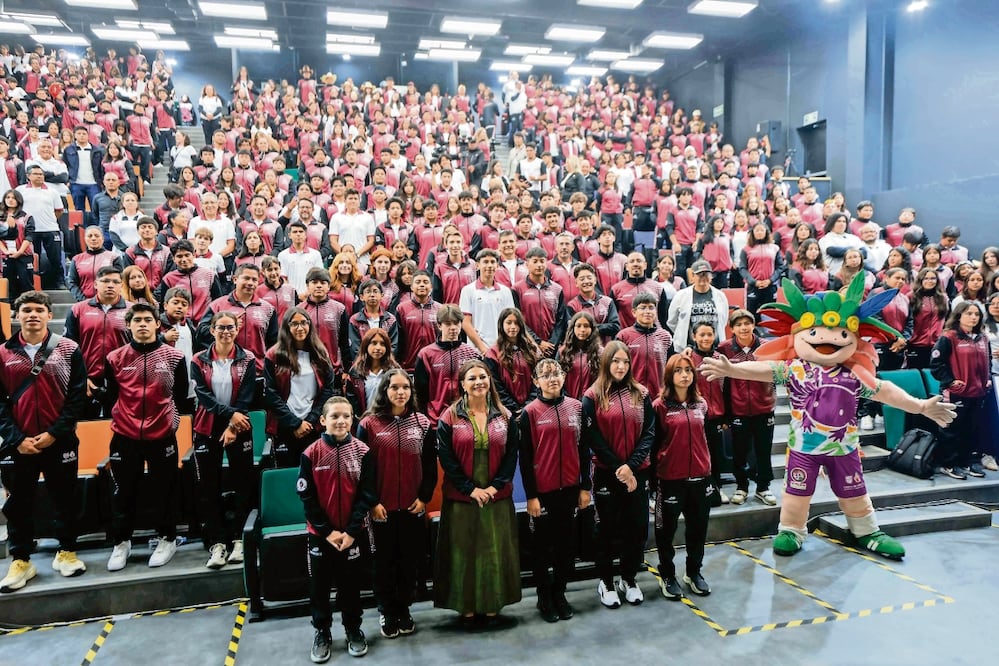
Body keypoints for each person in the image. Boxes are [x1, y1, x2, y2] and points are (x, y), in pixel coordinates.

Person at [0, 291, 89, 592]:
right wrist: (17, 438)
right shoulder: (3, 353)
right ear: (17, 315)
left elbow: (77, 398)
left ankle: (66, 551)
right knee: (18, 504)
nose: (33, 315)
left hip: (59, 441)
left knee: (64, 498)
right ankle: (21, 560)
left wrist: (55, 433)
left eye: (39, 309)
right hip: (19, 444)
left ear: (50, 315)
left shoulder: (68, 348)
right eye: (26, 310)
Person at [435, 359, 521, 626]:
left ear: (489, 381)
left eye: (482, 377)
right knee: (464, 551)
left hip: (497, 496)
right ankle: (466, 605)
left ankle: (493, 601)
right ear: (462, 384)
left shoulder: (505, 416)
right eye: (471, 378)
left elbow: (511, 456)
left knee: (493, 550)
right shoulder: (448, 417)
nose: (478, 382)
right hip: (462, 498)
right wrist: (471, 489)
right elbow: (447, 460)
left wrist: (494, 487)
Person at [105, 303, 189, 571]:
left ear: (157, 324)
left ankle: (167, 538)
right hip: (124, 435)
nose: (142, 324)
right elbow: (110, 397)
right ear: (128, 325)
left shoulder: (174, 357)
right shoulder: (115, 358)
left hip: (162, 435)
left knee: (164, 489)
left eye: (147, 319)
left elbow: (181, 397)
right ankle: (122, 542)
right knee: (123, 491)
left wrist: (169, 425)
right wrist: (123, 421)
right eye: (137, 320)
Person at [356, 370, 436, 639]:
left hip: (412, 507)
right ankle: (386, 610)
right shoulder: (369, 425)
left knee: (409, 561)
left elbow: (429, 466)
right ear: (384, 390)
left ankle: (404, 609)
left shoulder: (422, 423)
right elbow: (361, 470)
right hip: (382, 510)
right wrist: (373, 502)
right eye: (395, 387)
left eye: (406, 387)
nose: (401, 392)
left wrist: (423, 497)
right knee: (384, 562)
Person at [298, 397, 376, 663]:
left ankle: (353, 628)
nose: (341, 421)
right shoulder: (310, 454)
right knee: (319, 586)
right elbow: (307, 498)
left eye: (346, 416)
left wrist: (352, 531)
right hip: (322, 536)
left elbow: (366, 495)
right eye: (334, 416)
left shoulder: (364, 451)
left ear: (353, 419)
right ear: (323, 421)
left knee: (350, 585)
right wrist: (327, 532)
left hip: (352, 534)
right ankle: (322, 632)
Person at [582, 342, 655, 608]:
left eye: (625, 361)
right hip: (606, 474)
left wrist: (632, 466)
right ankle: (606, 581)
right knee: (607, 530)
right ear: (606, 363)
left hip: (638, 472)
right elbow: (593, 438)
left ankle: (628, 577)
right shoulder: (592, 396)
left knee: (636, 529)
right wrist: (619, 468)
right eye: (615, 361)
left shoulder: (641, 393)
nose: (621, 366)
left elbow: (649, 433)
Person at [518, 359, 588, 622]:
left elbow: (583, 450)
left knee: (565, 548)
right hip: (543, 494)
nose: (552, 378)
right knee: (541, 549)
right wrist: (531, 496)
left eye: (556, 373)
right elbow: (525, 459)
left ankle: (560, 593)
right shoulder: (530, 413)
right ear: (536, 381)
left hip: (570, 490)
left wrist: (585, 487)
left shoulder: (577, 408)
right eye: (545, 375)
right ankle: (544, 597)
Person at [190, 310, 256, 569]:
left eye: (231, 327)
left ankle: (240, 538)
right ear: (212, 330)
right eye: (221, 327)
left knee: (243, 483)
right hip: (208, 426)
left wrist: (233, 424)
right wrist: (230, 417)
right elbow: (204, 396)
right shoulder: (198, 360)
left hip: (240, 426)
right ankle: (217, 543)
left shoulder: (248, 358)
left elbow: (248, 394)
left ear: (237, 329)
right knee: (208, 485)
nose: (226, 332)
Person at [651, 354, 713, 599]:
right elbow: (653, 443)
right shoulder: (659, 407)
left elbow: (706, 439)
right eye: (679, 370)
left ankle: (694, 572)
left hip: (700, 477)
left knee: (698, 529)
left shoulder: (701, 404)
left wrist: (710, 472)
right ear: (670, 375)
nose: (685, 374)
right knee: (666, 532)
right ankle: (667, 575)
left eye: (688, 370)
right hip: (670, 479)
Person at [264, 308, 339, 469]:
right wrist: (295, 423)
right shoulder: (274, 355)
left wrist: (310, 420)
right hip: (285, 425)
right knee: (286, 474)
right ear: (286, 327)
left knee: (313, 474)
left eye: (304, 323)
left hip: (313, 425)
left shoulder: (320, 353)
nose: (300, 328)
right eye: (295, 323)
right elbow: (271, 393)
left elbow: (327, 390)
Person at [718, 309, 777, 506]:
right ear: (732, 329)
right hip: (738, 410)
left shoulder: (767, 347)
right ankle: (741, 487)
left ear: (753, 325)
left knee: (763, 449)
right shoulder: (724, 348)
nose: (743, 328)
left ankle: (763, 487)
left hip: (764, 408)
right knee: (739, 451)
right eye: (739, 324)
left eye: (747, 323)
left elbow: (776, 373)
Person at [930, 302, 992, 480]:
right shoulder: (949, 337)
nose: (973, 317)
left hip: (978, 392)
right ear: (959, 315)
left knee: (972, 428)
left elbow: (988, 361)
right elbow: (936, 364)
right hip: (956, 392)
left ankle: (968, 462)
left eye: (976, 314)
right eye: (969, 313)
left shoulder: (983, 338)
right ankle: (948, 464)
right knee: (952, 429)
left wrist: (986, 380)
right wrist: (951, 381)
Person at [64, 265, 130, 417]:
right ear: (95, 284)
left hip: (122, 381)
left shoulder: (132, 311)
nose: (110, 285)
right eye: (105, 281)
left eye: (115, 282)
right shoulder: (78, 309)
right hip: (86, 380)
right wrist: (80, 378)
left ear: (121, 285)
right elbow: (68, 348)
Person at [414, 305, 481, 424]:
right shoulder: (426, 354)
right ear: (439, 325)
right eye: (448, 324)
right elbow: (420, 393)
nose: (453, 328)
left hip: (466, 419)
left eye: (456, 323)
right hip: (435, 420)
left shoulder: (472, 354)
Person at [616, 292, 674, 398]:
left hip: (658, 395)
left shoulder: (665, 337)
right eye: (642, 308)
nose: (647, 312)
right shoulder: (623, 336)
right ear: (634, 312)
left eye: (651, 308)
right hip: (631, 395)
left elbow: (671, 368)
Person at [486, 307, 541, 416]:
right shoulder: (493, 353)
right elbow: (496, 385)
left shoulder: (532, 349)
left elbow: (538, 378)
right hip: (506, 411)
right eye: (509, 323)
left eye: (516, 323)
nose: (513, 327)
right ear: (501, 325)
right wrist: (513, 408)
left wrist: (529, 404)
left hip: (532, 408)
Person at [460, 249, 516, 355]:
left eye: (492, 262)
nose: (489, 265)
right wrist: (483, 349)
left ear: (497, 266)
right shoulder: (468, 290)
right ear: (477, 265)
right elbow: (466, 323)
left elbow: (510, 321)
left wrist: (501, 346)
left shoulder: (505, 291)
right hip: (477, 350)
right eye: (485, 262)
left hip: (501, 350)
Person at [18, 164, 65, 289]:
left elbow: (59, 210)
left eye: (41, 174)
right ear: (28, 176)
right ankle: (33, 283)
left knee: (55, 257)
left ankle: (59, 282)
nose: (40, 176)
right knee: (32, 259)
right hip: (30, 231)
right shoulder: (20, 190)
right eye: (36, 174)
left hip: (50, 228)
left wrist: (50, 220)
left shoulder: (52, 191)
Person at [667, 260, 729, 353]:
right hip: (687, 348)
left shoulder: (720, 295)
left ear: (711, 276)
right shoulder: (681, 295)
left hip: (715, 348)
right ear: (692, 276)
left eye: (706, 274)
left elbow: (723, 320)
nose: (703, 277)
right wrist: (681, 332)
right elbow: (672, 322)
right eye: (699, 274)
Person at [1, 189, 36, 299]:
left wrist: (20, 252)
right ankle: (11, 309)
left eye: (13, 198)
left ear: (19, 200)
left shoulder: (27, 217)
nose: (10, 200)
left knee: (26, 282)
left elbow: (29, 236)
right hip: (5, 256)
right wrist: (5, 251)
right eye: (8, 197)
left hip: (24, 255)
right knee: (9, 285)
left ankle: (28, 307)